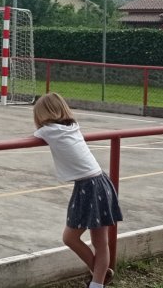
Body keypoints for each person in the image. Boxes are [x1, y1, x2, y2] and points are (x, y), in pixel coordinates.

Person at [33, 92, 122, 288]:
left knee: (70, 237)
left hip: (89, 187)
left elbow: (35, 134)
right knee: (100, 243)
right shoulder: (73, 126)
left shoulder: (48, 131)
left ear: (41, 115)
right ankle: (98, 280)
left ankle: (99, 275)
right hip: (100, 181)